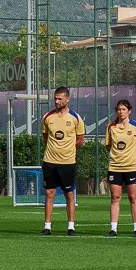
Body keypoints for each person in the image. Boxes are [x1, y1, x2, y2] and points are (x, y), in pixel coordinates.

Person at [37, 87, 84, 233]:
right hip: (50, 162)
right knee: (49, 193)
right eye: (55, 98)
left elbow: (80, 140)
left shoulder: (75, 118)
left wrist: (68, 148)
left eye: (60, 99)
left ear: (67, 99)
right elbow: (45, 138)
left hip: (68, 163)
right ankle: (47, 226)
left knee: (69, 194)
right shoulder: (47, 117)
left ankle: (71, 226)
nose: (56, 101)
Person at [103, 98, 136, 235]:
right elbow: (108, 145)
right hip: (115, 168)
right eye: (119, 109)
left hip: (132, 168)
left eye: (123, 109)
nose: (121, 112)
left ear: (129, 111)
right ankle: (113, 228)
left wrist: (133, 158)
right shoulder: (111, 126)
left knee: (133, 198)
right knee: (115, 198)